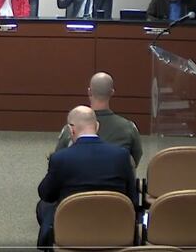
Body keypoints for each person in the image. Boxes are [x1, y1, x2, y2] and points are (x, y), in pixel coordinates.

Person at [36, 106, 137, 249]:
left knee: (43, 206)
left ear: (71, 130)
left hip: (72, 231)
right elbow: (132, 199)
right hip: (114, 229)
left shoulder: (60, 158)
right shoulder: (121, 156)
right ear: (97, 126)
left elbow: (45, 194)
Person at [54, 72, 143, 167]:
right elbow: (135, 160)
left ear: (89, 92)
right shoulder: (129, 128)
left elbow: (58, 160)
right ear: (112, 92)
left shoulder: (72, 128)